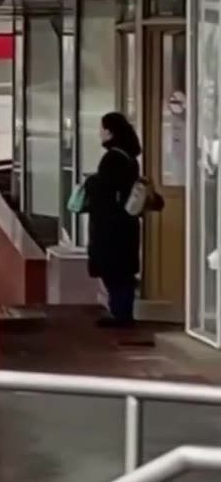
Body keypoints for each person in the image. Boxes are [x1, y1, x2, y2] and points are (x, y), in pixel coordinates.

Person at [81, 112, 151, 328]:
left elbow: (104, 188)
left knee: (114, 272)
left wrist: (90, 183)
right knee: (122, 272)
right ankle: (122, 313)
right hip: (125, 223)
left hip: (111, 225)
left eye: (102, 128)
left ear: (110, 131)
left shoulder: (112, 158)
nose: (99, 133)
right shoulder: (130, 158)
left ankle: (121, 316)